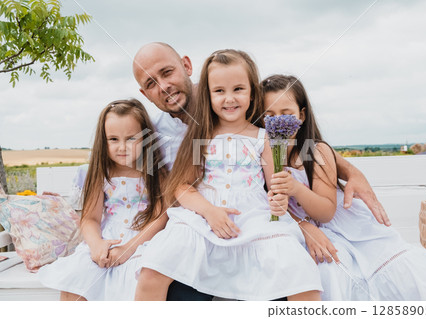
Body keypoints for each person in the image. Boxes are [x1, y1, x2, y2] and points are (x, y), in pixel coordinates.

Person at [132, 42, 391, 227]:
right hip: (204, 221)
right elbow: (161, 187)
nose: (164, 86)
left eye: (167, 73)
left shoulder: (236, 105)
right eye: (151, 83)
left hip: (262, 214)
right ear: (144, 94)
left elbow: (295, 140)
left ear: (186, 65)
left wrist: (350, 171)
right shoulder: (151, 135)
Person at [134, 50, 323, 301]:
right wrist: (209, 212)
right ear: (208, 95)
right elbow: (180, 187)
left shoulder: (263, 137)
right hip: (203, 217)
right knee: (153, 270)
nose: (229, 99)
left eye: (238, 89)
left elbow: (275, 186)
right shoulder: (200, 136)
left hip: (253, 215)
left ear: (252, 93)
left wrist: (279, 200)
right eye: (219, 91)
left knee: (300, 273)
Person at [263, 74, 426, 300]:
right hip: (302, 232)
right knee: (328, 270)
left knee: (394, 269)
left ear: (301, 115)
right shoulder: (266, 154)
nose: (279, 122)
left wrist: (296, 188)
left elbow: (326, 212)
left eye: (286, 114)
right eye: (270, 116)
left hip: (340, 226)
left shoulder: (316, 151)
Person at [38, 99, 168, 300]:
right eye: (113, 139)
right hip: (107, 238)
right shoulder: (100, 173)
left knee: (139, 276)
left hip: (143, 240)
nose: (122, 147)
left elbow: (160, 217)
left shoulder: (155, 172)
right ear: (103, 141)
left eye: (131, 138)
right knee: (77, 278)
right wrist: (96, 244)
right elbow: (90, 219)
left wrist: (128, 248)